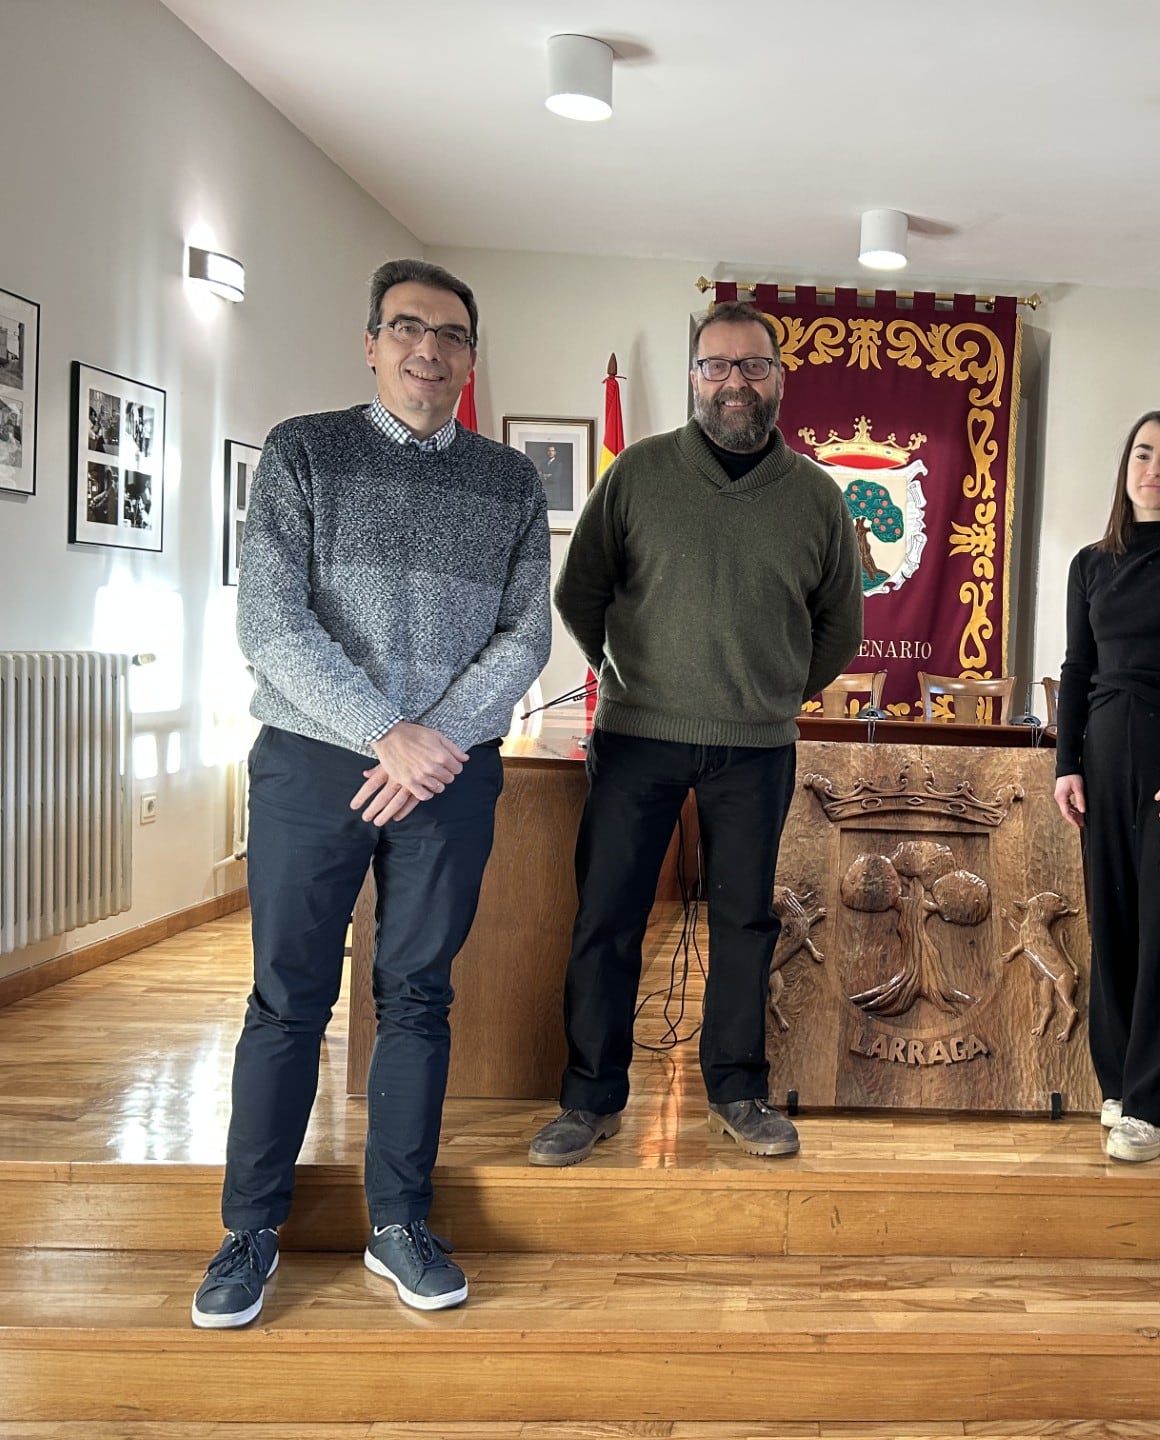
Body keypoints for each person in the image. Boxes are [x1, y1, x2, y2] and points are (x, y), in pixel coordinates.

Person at [192, 258, 552, 1328]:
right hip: (314, 760)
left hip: (447, 771)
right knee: (287, 1000)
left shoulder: (509, 482)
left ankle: (398, 1224)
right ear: (371, 342)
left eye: (448, 335)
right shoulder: (306, 451)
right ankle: (248, 1232)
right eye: (406, 329)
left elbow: (525, 632)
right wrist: (381, 733)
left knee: (419, 997)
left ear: (471, 358)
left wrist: (432, 740)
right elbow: (270, 623)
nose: (427, 351)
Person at [528, 299, 863, 1167]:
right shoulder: (638, 474)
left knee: (746, 923)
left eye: (752, 365)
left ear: (780, 379)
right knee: (608, 917)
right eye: (716, 365)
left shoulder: (818, 498)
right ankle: (590, 1098)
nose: (734, 382)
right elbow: (580, 592)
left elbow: (840, 627)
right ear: (693, 378)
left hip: (758, 746)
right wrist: (632, 676)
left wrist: (780, 690)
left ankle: (739, 1090)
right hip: (638, 734)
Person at [1053, 409, 1160, 1163]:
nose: (1152, 470)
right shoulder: (1091, 562)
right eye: (1142, 454)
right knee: (1114, 924)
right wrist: (1067, 764)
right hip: (1104, 748)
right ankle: (1121, 1082)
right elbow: (1079, 668)